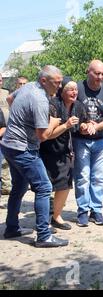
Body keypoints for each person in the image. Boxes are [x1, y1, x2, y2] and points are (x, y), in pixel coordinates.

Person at [0, 65, 69, 248]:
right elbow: (43, 136)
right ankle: (44, 236)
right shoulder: (39, 99)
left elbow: (9, 98)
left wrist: (20, 118)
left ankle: (12, 228)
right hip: (23, 149)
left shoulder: (28, 86)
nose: (60, 86)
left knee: (19, 187)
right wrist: (53, 122)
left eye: (61, 82)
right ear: (44, 81)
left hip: (9, 145)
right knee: (44, 187)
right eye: (57, 83)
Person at [73, 60, 103, 227]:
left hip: (101, 141)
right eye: (97, 73)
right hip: (80, 140)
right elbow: (68, 109)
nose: (100, 77)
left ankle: (96, 210)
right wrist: (82, 125)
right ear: (88, 72)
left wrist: (97, 126)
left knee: (98, 177)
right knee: (83, 177)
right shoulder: (78, 88)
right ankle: (83, 211)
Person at [39, 77, 84, 231]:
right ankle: (43, 222)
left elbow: (82, 122)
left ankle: (56, 216)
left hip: (66, 151)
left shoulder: (78, 106)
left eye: (76, 89)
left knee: (64, 185)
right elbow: (48, 134)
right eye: (70, 89)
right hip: (48, 151)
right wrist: (66, 125)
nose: (74, 92)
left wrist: (85, 126)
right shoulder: (53, 106)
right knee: (45, 188)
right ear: (62, 91)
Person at [0, 73, 12, 196]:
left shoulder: (6, 93)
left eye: (1, 80)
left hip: (7, 129)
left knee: (5, 161)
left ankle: (6, 185)